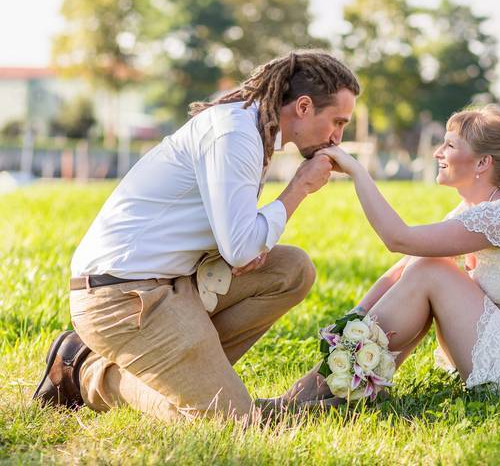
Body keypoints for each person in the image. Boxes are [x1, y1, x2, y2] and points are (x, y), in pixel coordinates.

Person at [33, 50, 360, 424]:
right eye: (338, 121)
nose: (338, 137)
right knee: (232, 423)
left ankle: (199, 382)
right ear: (303, 106)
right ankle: (86, 371)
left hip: (173, 285)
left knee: (292, 269)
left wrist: (249, 245)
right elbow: (239, 248)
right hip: (121, 297)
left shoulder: (252, 129)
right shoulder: (235, 134)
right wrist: (299, 188)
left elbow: (239, 243)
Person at [275, 105, 500, 408]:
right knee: (424, 266)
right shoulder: (473, 212)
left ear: (483, 162)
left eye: (450, 145)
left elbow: (398, 239)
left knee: (432, 270)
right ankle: (342, 391)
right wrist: (353, 319)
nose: (437, 153)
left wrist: (357, 171)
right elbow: (401, 269)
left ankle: (310, 394)